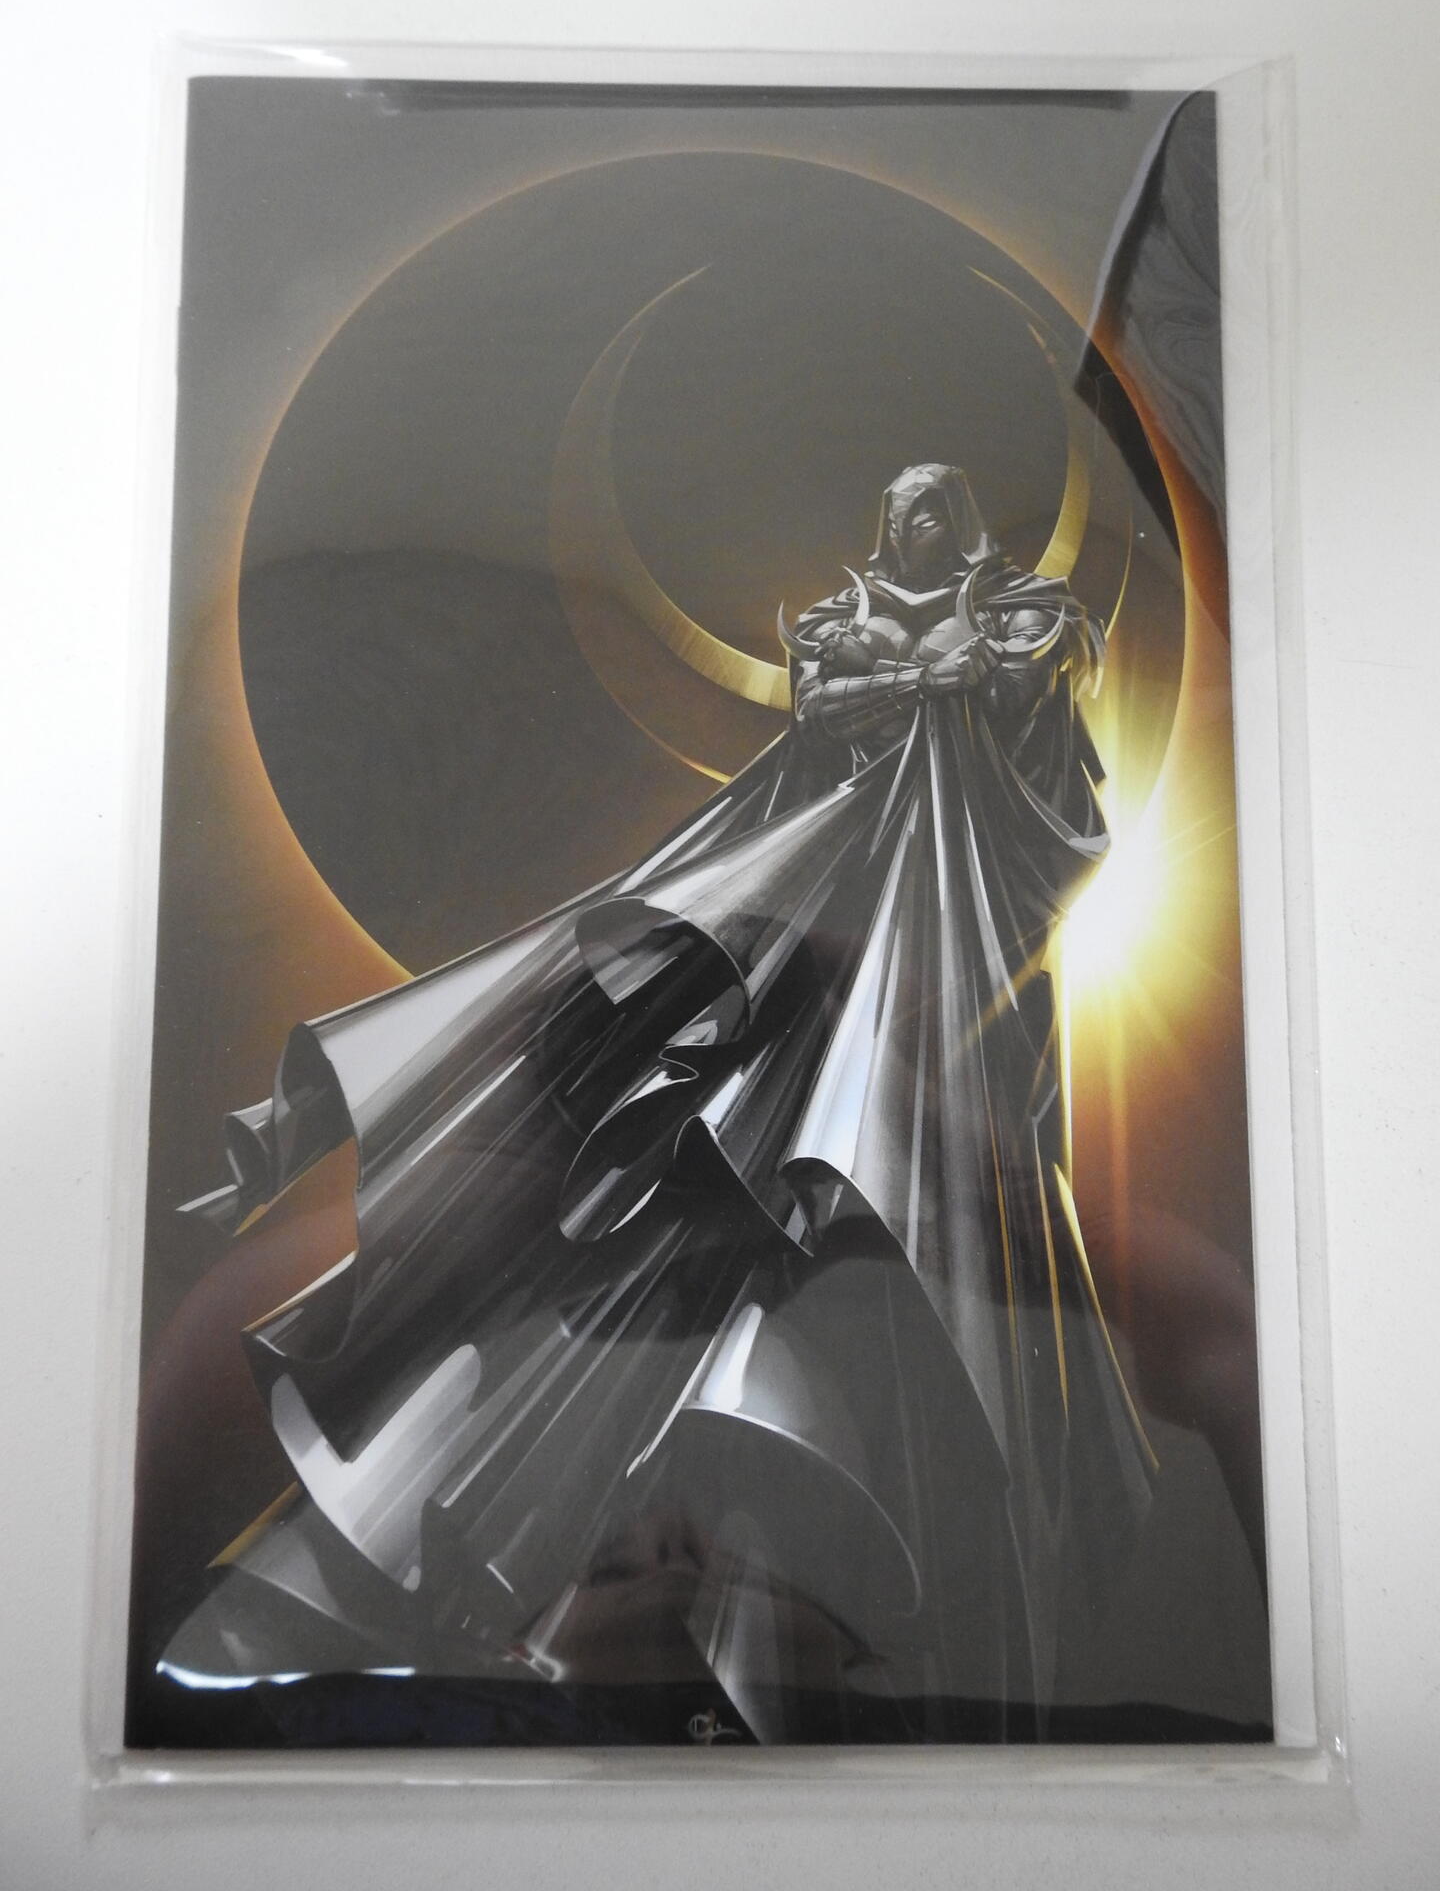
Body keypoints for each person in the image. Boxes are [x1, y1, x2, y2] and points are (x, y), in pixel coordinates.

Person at [158, 465, 1153, 1745]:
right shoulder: (836, 660)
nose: (917, 528)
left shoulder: (1008, 649)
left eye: (933, 513)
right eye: (903, 512)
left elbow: (1033, 733)